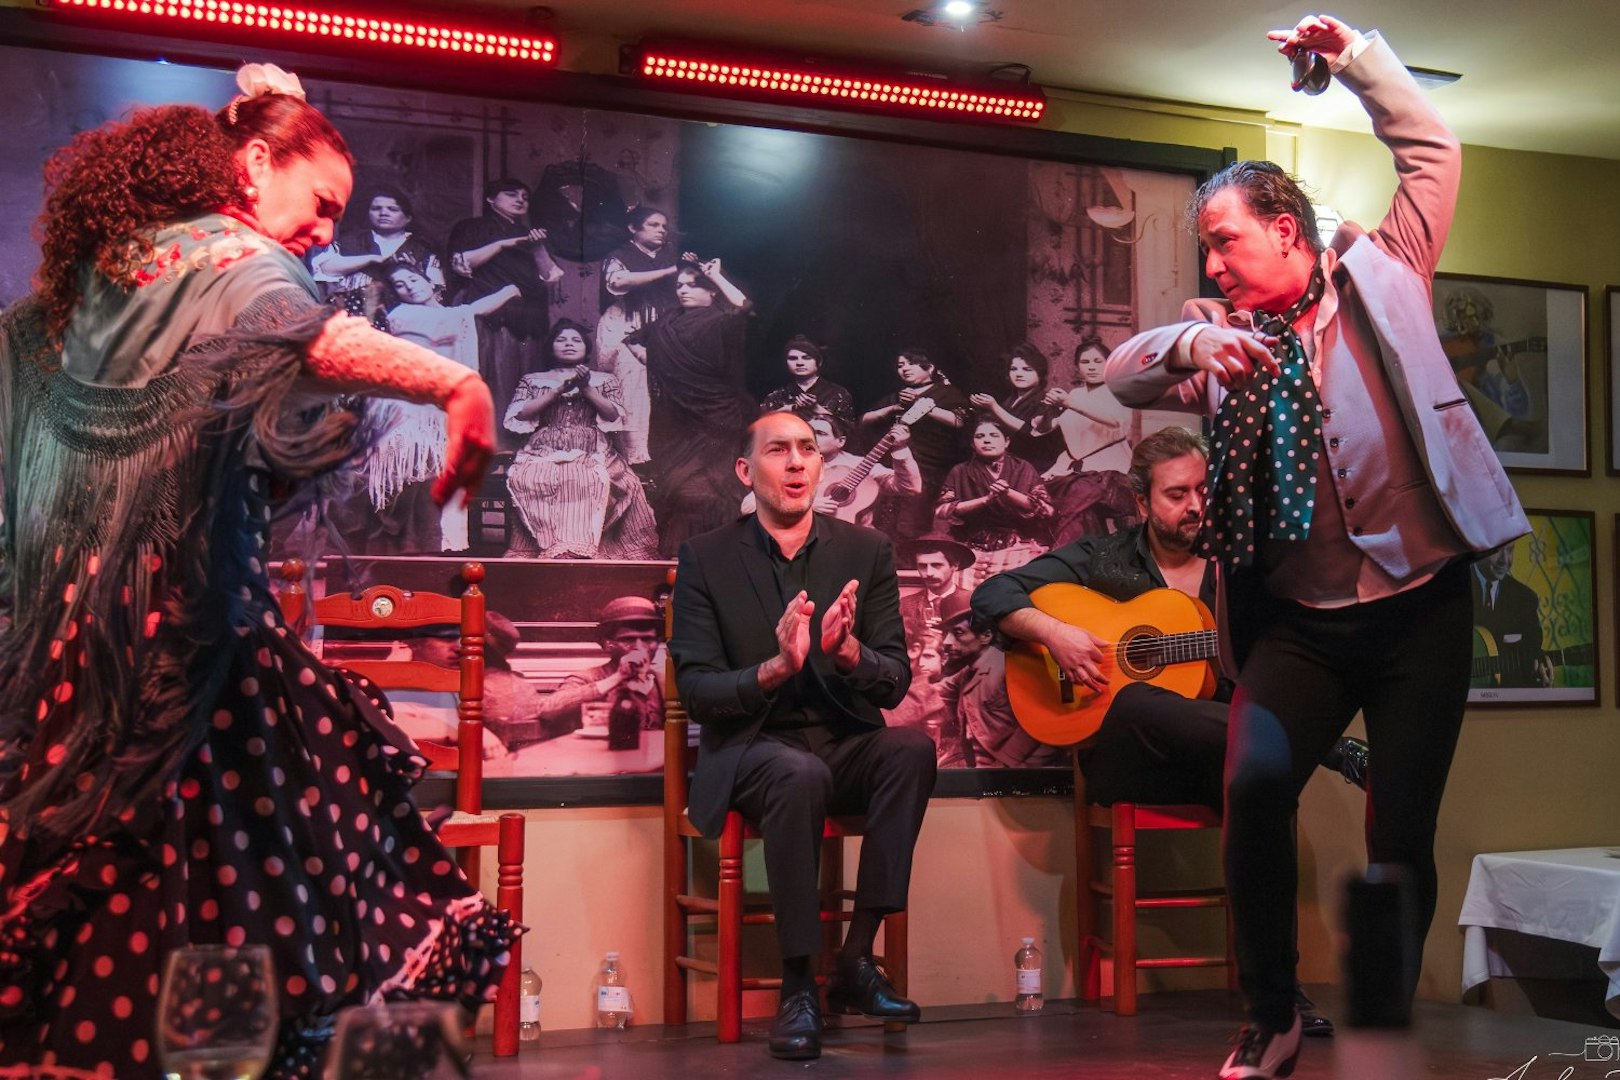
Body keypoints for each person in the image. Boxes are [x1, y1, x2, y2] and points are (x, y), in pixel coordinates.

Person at [0, 64, 515, 1077]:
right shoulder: (231, 252)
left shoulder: (118, 264)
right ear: (253, 164)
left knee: (162, 883)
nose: (326, 231)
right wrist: (456, 382)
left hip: (80, 637)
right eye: (322, 204)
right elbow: (316, 333)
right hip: (184, 641)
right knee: (231, 878)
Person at [1103, 17, 1528, 1078]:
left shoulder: (1389, 268)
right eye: (1206, 248)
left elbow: (1431, 148)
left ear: (1287, 228)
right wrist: (1193, 337)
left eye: (1227, 239)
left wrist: (1356, 62)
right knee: (1252, 787)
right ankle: (1275, 1010)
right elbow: (1123, 372)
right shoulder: (1222, 342)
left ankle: (1380, 1017)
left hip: (1418, 606)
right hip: (1297, 623)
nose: (1214, 262)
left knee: (1399, 836)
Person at [971, 426, 1367, 1035]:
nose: (1195, 507)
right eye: (1177, 495)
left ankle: (1279, 996)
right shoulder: (1103, 558)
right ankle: (1329, 751)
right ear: (1141, 501)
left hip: (1218, 751)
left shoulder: (1244, 570)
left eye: (1204, 491)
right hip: (1132, 758)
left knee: (1266, 782)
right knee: (1135, 698)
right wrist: (1054, 632)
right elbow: (993, 592)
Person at [669, 410, 935, 1061]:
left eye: (808, 450)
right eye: (779, 450)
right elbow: (698, 687)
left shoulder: (864, 551)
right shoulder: (706, 557)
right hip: (754, 749)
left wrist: (847, 654)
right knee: (797, 772)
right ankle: (798, 985)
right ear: (746, 469)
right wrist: (776, 668)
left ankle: (853, 962)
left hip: (841, 742)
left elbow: (893, 681)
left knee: (911, 749)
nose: (796, 463)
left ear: (822, 465)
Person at [326, 262, 518, 554]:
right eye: (401, 285)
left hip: (440, 405)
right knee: (402, 473)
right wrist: (511, 289)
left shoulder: (450, 314)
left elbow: (469, 312)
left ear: (429, 281)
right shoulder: (403, 315)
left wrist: (511, 289)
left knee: (438, 475)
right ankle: (402, 544)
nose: (410, 287)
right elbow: (474, 311)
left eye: (413, 279)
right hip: (406, 404)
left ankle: (439, 545)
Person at [624, 259, 755, 556]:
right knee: (679, 487)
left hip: (716, 418)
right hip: (675, 421)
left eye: (693, 285)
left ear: (711, 291)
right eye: (680, 285)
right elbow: (633, 340)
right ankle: (678, 556)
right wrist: (660, 368)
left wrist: (716, 275)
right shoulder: (667, 320)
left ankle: (723, 554)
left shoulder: (722, 318)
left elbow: (744, 306)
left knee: (714, 489)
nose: (683, 290)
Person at [502, 318, 659, 559]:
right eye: (561, 340)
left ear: (586, 348)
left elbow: (613, 414)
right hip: (543, 448)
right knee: (530, 478)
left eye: (576, 340)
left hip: (591, 448)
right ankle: (551, 546)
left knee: (585, 478)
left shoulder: (604, 379)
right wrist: (555, 391)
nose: (569, 344)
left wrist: (586, 389)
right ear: (551, 346)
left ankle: (581, 547)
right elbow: (521, 414)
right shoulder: (533, 380)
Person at [447, 177, 565, 419]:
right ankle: (493, 444)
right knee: (494, 376)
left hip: (530, 315)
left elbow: (551, 276)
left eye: (525, 197)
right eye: (512, 194)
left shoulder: (530, 234)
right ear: (490, 199)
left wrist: (538, 247)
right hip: (490, 313)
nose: (520, 200)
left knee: (526, 377)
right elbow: (462, 263)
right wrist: (503, 244)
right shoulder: (471, 227)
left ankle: (519, 442)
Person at [934, 591, 1066, 768]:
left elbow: (1044, 720)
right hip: (983, 770)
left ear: (986, 635)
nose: (946, 642)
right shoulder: (967, 673)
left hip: (1019, 773)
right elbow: (934, 693)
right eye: (945, 634)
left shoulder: (1009, 668)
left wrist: (1008, 768)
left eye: (957, 633)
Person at [596, 205, 684, 466]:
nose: (661, 230)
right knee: (632, 390)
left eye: (664, 226)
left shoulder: (669, 256)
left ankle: (663, 458)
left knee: (665, 390)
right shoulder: (619, 255)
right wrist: (670, 272)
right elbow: (618, 282)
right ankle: (633, 458)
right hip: (627, 325)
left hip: (663, 326)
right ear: (633, 229)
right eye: (654, 225)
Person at [1039, 336, 1139, 547]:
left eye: (1098, 361)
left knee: (1075, 500)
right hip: (1074, 468)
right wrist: (1049, 409)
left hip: (1111, 470)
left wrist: (1069, 403)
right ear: (1077, 368)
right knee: (1069, 506)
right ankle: (1084, 555)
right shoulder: (1075, 393)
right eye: (1085, 362)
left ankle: (1069, 554)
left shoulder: (1119, 393)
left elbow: (1116, 422)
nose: (1092, 367)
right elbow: (1044, 429)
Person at [861, 349, 971, 538]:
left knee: (914, 522)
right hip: (894, 465)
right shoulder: (898, 396)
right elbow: (864, 420)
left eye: (911, 363)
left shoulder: (946, 393)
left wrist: (921, 404)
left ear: (930, 367)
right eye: (900, 365)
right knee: (884, 522)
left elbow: (959, 421)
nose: (904, 369)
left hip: (928, 467)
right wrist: (892, 408)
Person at [742, 413, 921, 529]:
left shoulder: (861, 465)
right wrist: (805, 508)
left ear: (840, 441)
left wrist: (900, 449)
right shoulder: (787, 466)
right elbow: (748, 506)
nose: (810, 438)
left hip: (855, 544)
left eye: (820, 433)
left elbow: (910, 488)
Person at [934, 417, 1053, 582]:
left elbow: (1047, 510)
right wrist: (984, 500)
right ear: (972, 444)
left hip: (1018, 546)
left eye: (994, 435)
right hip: (971, 547)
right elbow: (941, 511)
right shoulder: (960, 471)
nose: (987, 440)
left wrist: (1008, 494)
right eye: (980, 436)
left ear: (1007, 442)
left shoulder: (1023, 467)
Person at [534, 595, 667, 740]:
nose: (641, 647)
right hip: (604, 759)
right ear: (608, 644)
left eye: (648, 639)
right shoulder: (588, 678)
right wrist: (618, 677)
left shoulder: (663, 681)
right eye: (628, 639)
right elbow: (547, 710)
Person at [310, 183, 443, 326]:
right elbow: (325, 269)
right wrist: (371, 259)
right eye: (376, 208)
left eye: (392, 209)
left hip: (409, 322)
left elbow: (436, 291)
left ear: (408, 217)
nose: (383, 213)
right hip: (354, 319)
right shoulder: (350, 241)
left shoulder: (422, 249)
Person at [969, 342, 1063, 474]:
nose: (1019, 374)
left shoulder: (1047, 399)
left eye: (1027, 369)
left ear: (1040, 374)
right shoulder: (1010, 399)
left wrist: (994, 407)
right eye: (1014, 369)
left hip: (1035, 466)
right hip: (1009, 464)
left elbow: (1031, 432)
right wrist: (983, 409)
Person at [1471, 541, 1551, 689]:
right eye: (1497, 551)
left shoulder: (1525, 598)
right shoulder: (1452, 590)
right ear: (1478, 549)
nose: (1504, 560)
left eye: (1510, 550)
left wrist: (1541, 688)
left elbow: (1532, 653)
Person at [758, 335, 855, 429]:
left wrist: (817, 409)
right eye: (793, 358)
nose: (799, 363)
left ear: (819, 361)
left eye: (807, 358)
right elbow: (761, 430)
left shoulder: (839, 394)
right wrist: (788, 409)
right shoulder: (775, 397)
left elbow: (850, 432)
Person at [896, 532, 975, 640]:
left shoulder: (972, 602)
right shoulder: (904, 605)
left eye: (936, 565)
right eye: (922, 566)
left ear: (955, 565)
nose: (929, 572)